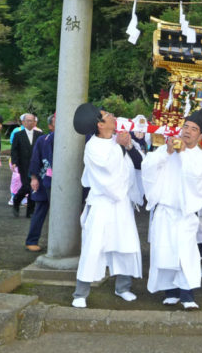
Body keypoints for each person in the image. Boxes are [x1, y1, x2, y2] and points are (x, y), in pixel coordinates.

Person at [71, 103, 143, 309]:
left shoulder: (118, 139)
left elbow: (139, 164)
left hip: (121, 204)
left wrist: (128, 146)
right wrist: (120, 146)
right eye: (108, 115)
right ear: (100, 124)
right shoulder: (92, 146)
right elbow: (107, 173)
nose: (113, 117)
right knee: (93, 247)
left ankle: (123, 287)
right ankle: (81, 292)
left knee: (125, 244)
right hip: (102, 203)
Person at [142, 109, 202, 310]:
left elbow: (196, 177)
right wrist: (167, 151)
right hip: (165, 211)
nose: (188, 132)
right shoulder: (167, 149)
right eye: (186, 127)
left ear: (200, 135)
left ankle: (187, 294)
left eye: (194, 129)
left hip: (185, 213)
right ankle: (170, 292)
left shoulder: (201, 157)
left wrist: (182, 154)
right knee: (164, 252)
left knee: (186, 254)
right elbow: (148, 168)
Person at [25, 113, 55, 252]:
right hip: (45, 179)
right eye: (56, 122)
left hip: (64, 182)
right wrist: (34, 178)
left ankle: (61, 243)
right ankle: (31, 240)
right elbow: (35, 159)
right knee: (40, 210)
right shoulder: (43, 140)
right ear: (50, 126)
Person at [11, 113, 41, 217]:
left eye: (31, 120)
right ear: (23, 122)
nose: (29, 122)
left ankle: (30, 211)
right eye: (27, 120)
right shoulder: (18, 135)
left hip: (36, 164)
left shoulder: (39, 134)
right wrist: (14, 162)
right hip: (23, 164)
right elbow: (14, 149)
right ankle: (16, 200)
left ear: (35, 122)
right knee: (27, 186)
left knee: (33, 187)